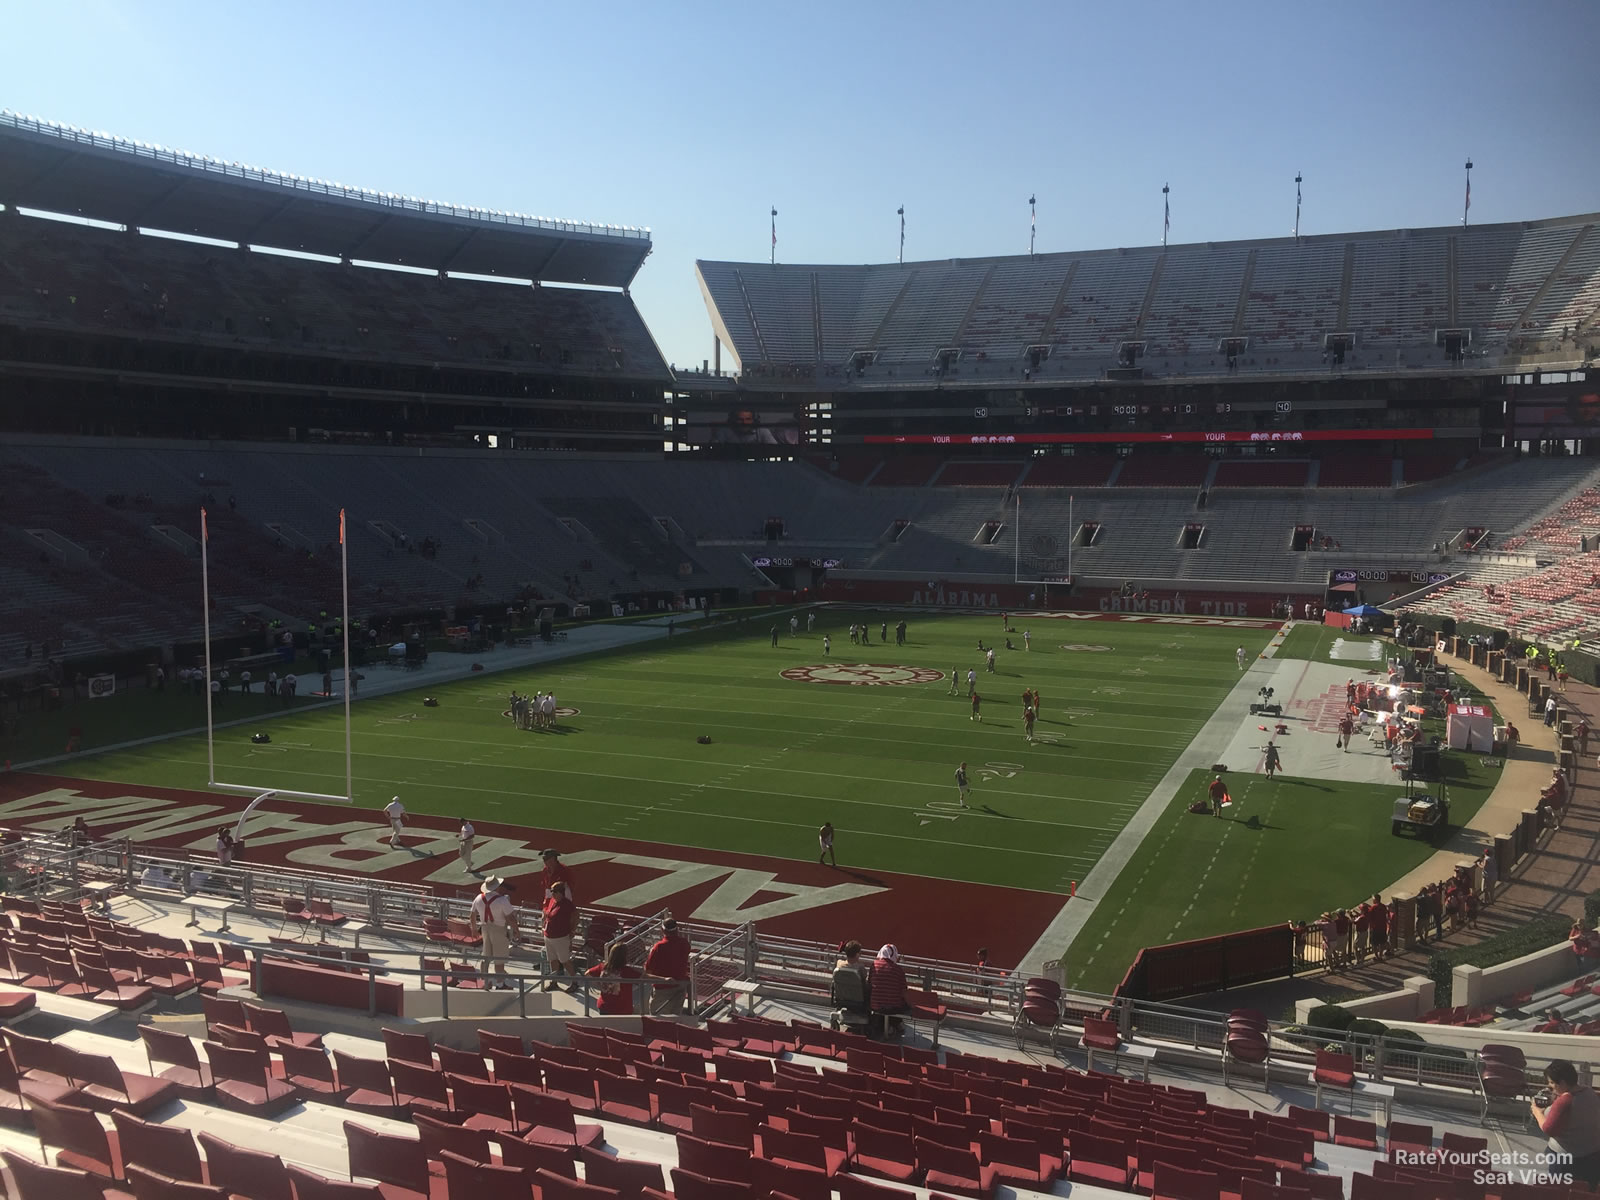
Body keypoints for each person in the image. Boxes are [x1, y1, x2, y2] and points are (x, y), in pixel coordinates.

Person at [1532, 1060, 1600, 1186]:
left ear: (1562, 1082)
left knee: (1560, 1192)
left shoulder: (1565, 1101)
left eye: (1552, 1082)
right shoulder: (1589, 1093)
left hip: (1566, 1160)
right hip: (1593, 1156)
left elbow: (1548, 1128)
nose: (1550, 1086)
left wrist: (1537, 1112)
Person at [469, 875, 519, 990]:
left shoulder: (478, 898)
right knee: (499, 959)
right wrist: (516, 931)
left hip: (485, 928)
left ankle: (484, 981)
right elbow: (510, 918)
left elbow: (472, 915)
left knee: (485, 956)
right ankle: (500, 984)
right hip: (499, 929)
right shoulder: (502, 900)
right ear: (497, 887)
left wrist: (474, 929)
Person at [643, 918, 691, 1014]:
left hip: (662, 989)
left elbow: (647, 972)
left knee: (657, 1021)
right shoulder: (685, 943)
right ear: (677, 930)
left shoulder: (658, 947)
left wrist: (664, 979)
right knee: (675, 1019)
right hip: (680, 986)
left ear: (662, 930)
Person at [586, 941, 641, 1015]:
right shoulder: (627, 971)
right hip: (622, 1010)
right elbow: (644, 978)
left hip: (604, 1006)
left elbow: (587, 974)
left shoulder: (602, 967)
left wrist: (601, 985)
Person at [540, 880, 576, 991]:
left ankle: (574, 982)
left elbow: (575, 917)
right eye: (552, 891)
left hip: (561, 937)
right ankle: (554, 981)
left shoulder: (567, 905)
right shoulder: (552, 901)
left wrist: (572, 931)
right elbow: (546, 913)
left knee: (565, 960)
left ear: (561, 892)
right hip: (549, 936)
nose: (552, 893)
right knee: (552, 960)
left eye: (554, 891)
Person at [869, 943, 911, 1038]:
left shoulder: (874, 965)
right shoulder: (899, 970)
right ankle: (896, 1025)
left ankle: (885, 1026)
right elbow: (904, 991)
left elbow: (870, 983)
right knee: (898, 1004)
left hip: (876, 1005)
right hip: (894, 1007)